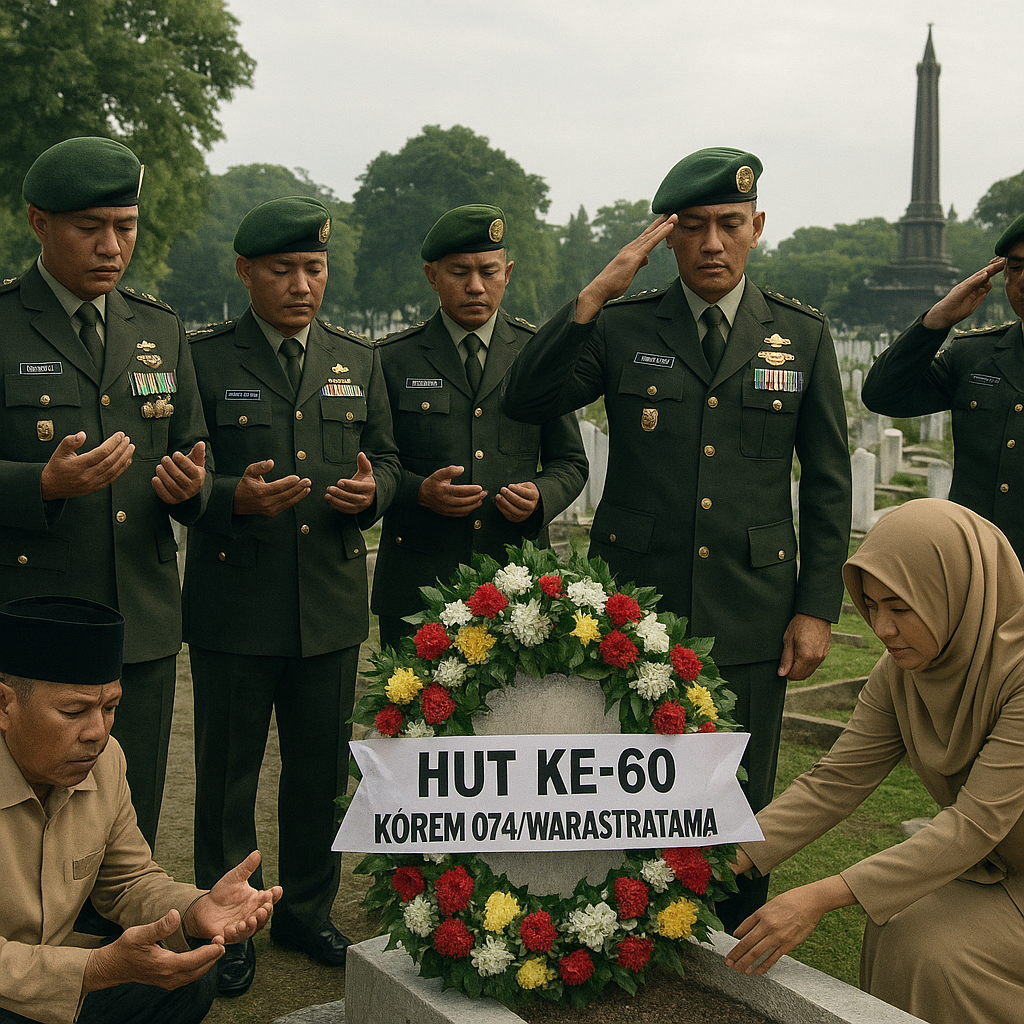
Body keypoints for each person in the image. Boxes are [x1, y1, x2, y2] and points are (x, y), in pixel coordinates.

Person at [503, 148, 851, 929]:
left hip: (754, 606)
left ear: (757, 227)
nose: (713, 244)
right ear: (668, 240)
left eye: (730, 224)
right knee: (633, 786)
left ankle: (734, 948)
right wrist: (593, 294)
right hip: (635, 608)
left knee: (738, 797)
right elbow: (527, 398)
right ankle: (629, 938)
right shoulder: (624, 326)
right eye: (692, 228)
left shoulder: (799, 336)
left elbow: (829, 481)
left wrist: (817, 606)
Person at [183, 196, 400, 995]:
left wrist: (374, 494)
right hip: (236, 605)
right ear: (246, 273)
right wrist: (230, 495)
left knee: (318, 775)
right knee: (228, 775)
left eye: (314, 269)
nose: (302, 284)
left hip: (330, 606)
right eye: (283, 270)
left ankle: (309, 909)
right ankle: (230, 921)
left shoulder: (356, 358)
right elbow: (179, 475)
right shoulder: (203, 358)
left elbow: (390, 457)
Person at [726, 499, 1024, 1024]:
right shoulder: (902, 671)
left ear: (952, 592)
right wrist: (722, 857)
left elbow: (976, 822)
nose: (881, 628)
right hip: (1000, 868)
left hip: (992, 856)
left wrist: (818, 896)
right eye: (870, 605)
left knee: (937, 955)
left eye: (901, 607)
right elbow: (835, 781)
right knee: (898, 927)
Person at [0, 137, 211, 851]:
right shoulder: (3, 324)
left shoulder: (158, 328)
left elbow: (192, 453)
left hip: (141, 618)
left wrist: (192, 490)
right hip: (36, 619)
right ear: (39, 223)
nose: (111, 245)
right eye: (90, 228)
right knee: (26, 813)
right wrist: (42, 483)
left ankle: (128, 956)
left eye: (125, 227)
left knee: (130, 805)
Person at [0, 595, 281, 1024]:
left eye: (110, 707)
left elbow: (128, 881)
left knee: (187, 976)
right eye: (73, 710)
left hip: (52, 974)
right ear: (5, 705)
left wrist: (193, 911)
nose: (97, 732)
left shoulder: (106, 759)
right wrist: (93, 970)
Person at [371, 204, 588, 650]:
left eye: (488, 271)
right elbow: (375, 460)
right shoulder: (391, 358)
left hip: (517, 585)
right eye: (459, 272)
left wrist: (541, 495)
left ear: (507, 273)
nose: (475, 286)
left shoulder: (537, 353)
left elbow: (570, 462)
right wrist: (418, 492)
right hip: (418, 581)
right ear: (432, 275)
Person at [862, 213, 1024, 562]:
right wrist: (935, 322)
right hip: (975, 572)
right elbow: (882, 393)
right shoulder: (974, 355)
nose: (1023, 281)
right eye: (1015, 267)